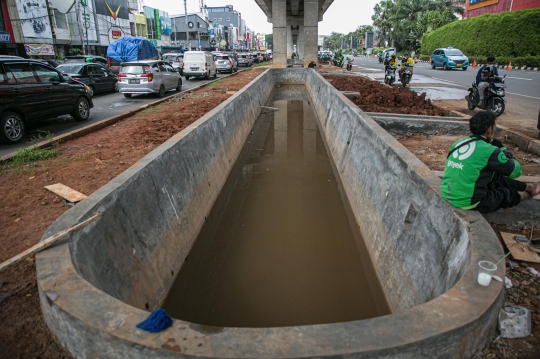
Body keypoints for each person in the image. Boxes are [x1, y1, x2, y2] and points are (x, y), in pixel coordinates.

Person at [441, 111, 540, 213]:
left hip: (447, 194)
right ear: (489, 129)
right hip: (469, 201)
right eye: (494, 126)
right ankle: (528, 193)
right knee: (505, 194)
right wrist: (502, 148)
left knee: (495, 176)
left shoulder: (459, 142)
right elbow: (516, 171)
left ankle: (529, 187)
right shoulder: (489, 150)